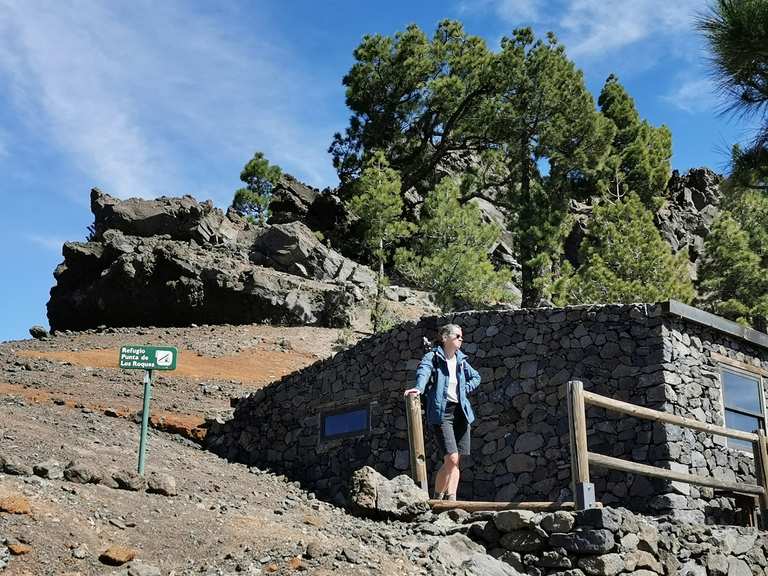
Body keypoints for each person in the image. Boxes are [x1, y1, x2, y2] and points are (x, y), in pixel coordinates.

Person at [404, 323, 481, 501]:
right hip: (442, 413)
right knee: (452, 458)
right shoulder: (433, 357)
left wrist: (464, 388)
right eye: (458, 336)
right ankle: (438, 499)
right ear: (445, 338)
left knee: (455, 461)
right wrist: (418, 388)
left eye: (462, 336)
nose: (461, 339)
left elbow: (476, 377)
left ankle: (451, 500)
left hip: (461, 412)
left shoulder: (461, 360)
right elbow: (423, 372)